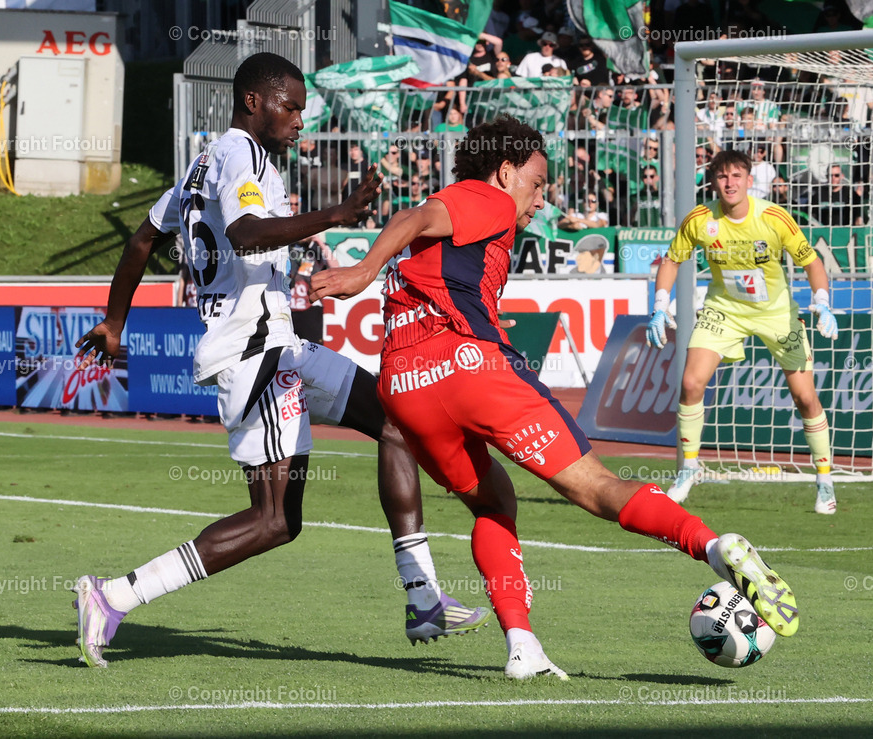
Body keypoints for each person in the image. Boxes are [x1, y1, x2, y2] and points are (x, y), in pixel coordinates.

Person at [311, 117, 800, 681]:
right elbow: (416, 216)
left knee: (494, 505)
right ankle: (715, 547)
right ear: (505, 171)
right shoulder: (488, 199)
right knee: (597, 488)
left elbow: (422, 226)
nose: (542, 200)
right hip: (470, 367)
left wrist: (373, 273)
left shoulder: (477, 222)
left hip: (405, 388)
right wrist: (363, 271)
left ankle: (522, 647)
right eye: (538, 183)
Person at [70, 53, 489, 668]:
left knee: (397, 419)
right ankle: (113, 596)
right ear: (252, 102)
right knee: (273, 522)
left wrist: (115, 320)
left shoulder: (201, 165)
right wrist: (336, 216)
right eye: (289, 105)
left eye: (301, 107)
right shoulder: (241, 152)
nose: (299, 118)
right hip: (254, 353)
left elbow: (142, 240)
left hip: (279, 345)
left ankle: (423, 595)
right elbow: (245, 231)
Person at [647, 149, 839, 515]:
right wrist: (660, 305)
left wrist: (823, 301)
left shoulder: (774, 218)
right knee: (690, 383)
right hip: (725, 311)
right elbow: (671, 260)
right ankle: (689, 470)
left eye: (737, 176)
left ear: (750, 180)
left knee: (805, 398)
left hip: (777, 314)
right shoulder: (701, 220)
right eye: (722, 176)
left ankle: (825, 480)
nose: (729, 183)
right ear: (714, 181)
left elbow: (811, 260)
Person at [287, 191, 338, 343]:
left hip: (310, 309)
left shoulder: (317, 248)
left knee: (313, 350)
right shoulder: (287, 245)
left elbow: (335, 267)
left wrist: (319, 242)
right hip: (288, 309)